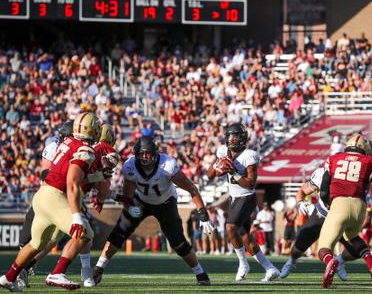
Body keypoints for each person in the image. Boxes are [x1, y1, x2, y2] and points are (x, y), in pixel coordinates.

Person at [92, 136, 215, 286]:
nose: (144, 157)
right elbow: (127, 197)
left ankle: (201, 274)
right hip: (140, 201)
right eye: (141, 154)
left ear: (155, 153)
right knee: (119, 233)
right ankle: (98, 269)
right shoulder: (130, 166)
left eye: (147, 153)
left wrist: (203, 214)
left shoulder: (167, 165)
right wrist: (129, 208)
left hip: (165, 203)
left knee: (178, 243)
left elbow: (191, 188)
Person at [0, 112, 101, 291]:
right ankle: (57, 273)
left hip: (42, 196)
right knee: (86, 233)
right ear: (91, 129)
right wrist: (77, 215)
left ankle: (8, 277)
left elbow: (69, 174)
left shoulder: (67, 143)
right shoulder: (85, 150)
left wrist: (97, 175)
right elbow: (72, 182)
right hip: (55, 196)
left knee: (36, 244)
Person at [17, 122, 119, 289]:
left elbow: (76, 177)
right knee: (83, 232)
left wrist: (110, 191)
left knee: (50, 240)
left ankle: (19, 271)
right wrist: (102, 194)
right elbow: (97, 185)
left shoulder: (74, 145)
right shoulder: (97, 149)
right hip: (65, 195)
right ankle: (77, 273)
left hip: (55, 193)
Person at [317, 135, 372, 288]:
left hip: (339, 203)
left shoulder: (333, 159)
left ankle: (331, 261)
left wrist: (328, 204)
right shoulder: (370, 161)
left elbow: (324, 190)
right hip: (360, 207)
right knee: (352, 236)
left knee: (323, 248)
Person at [207, 123, 280, 282]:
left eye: (236, 136)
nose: (232, 139)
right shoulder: (222, 151)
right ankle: (270, 268)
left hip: (247, 197)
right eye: (230, 136)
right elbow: (210, 175)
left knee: (230, 227)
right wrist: (218, 165)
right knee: (245, 237)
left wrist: (233, 172)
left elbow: (251, 183)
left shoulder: (250, 155)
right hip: (234, 198)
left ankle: (242, 263)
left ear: (243, 137)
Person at [279, 167, 371, 281]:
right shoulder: (321, 174)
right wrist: (300, 203)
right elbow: (302, 191)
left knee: (357, 250)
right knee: (298, 248)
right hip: (321, 215)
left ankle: (339, 261)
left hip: (339, 217)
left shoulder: (351, 177)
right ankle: (291, 262)